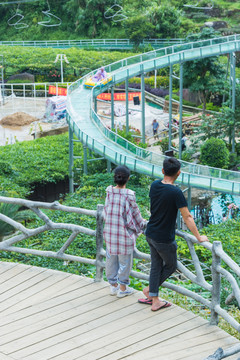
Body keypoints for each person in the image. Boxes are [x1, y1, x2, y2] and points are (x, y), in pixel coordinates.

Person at [139, 157, 209, 311]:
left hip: (150, 233)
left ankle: (154, 297)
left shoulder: (155, 185)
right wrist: (199, 237)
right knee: (171, 265)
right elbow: (187, 216)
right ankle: (151, 292)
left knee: (156, 265)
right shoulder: (176, 192)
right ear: (179, 173)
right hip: (163, 237)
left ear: (163, 171)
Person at [103, 165, 146, 298]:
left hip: (110, 231)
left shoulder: (109, 191)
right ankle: (123, 288)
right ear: (128, 179)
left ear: (115, 178)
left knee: (111, 259)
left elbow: (105, 210)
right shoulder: (129, 194)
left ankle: (113, 286)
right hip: (123, 234)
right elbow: (136, 214)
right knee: (125, 262)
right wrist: (143, 225)